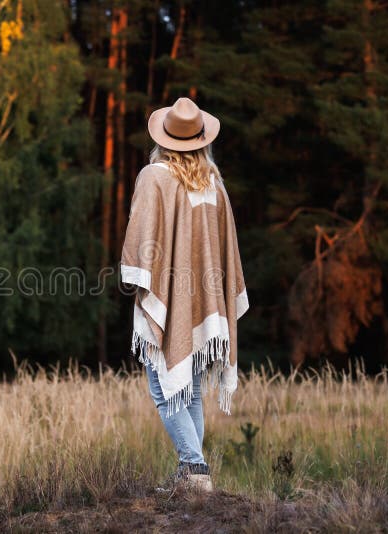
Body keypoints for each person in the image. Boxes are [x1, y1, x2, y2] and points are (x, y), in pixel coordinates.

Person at [120, 97, 249, 494]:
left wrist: (137, 278)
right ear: (200, 141)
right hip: (206, 302)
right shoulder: (215, 184)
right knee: (188, 388)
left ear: (164, 139)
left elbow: (141, 237)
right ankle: (193, 472)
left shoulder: (154, 177)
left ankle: (194, 469)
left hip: (175, 297)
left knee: (163, 388)